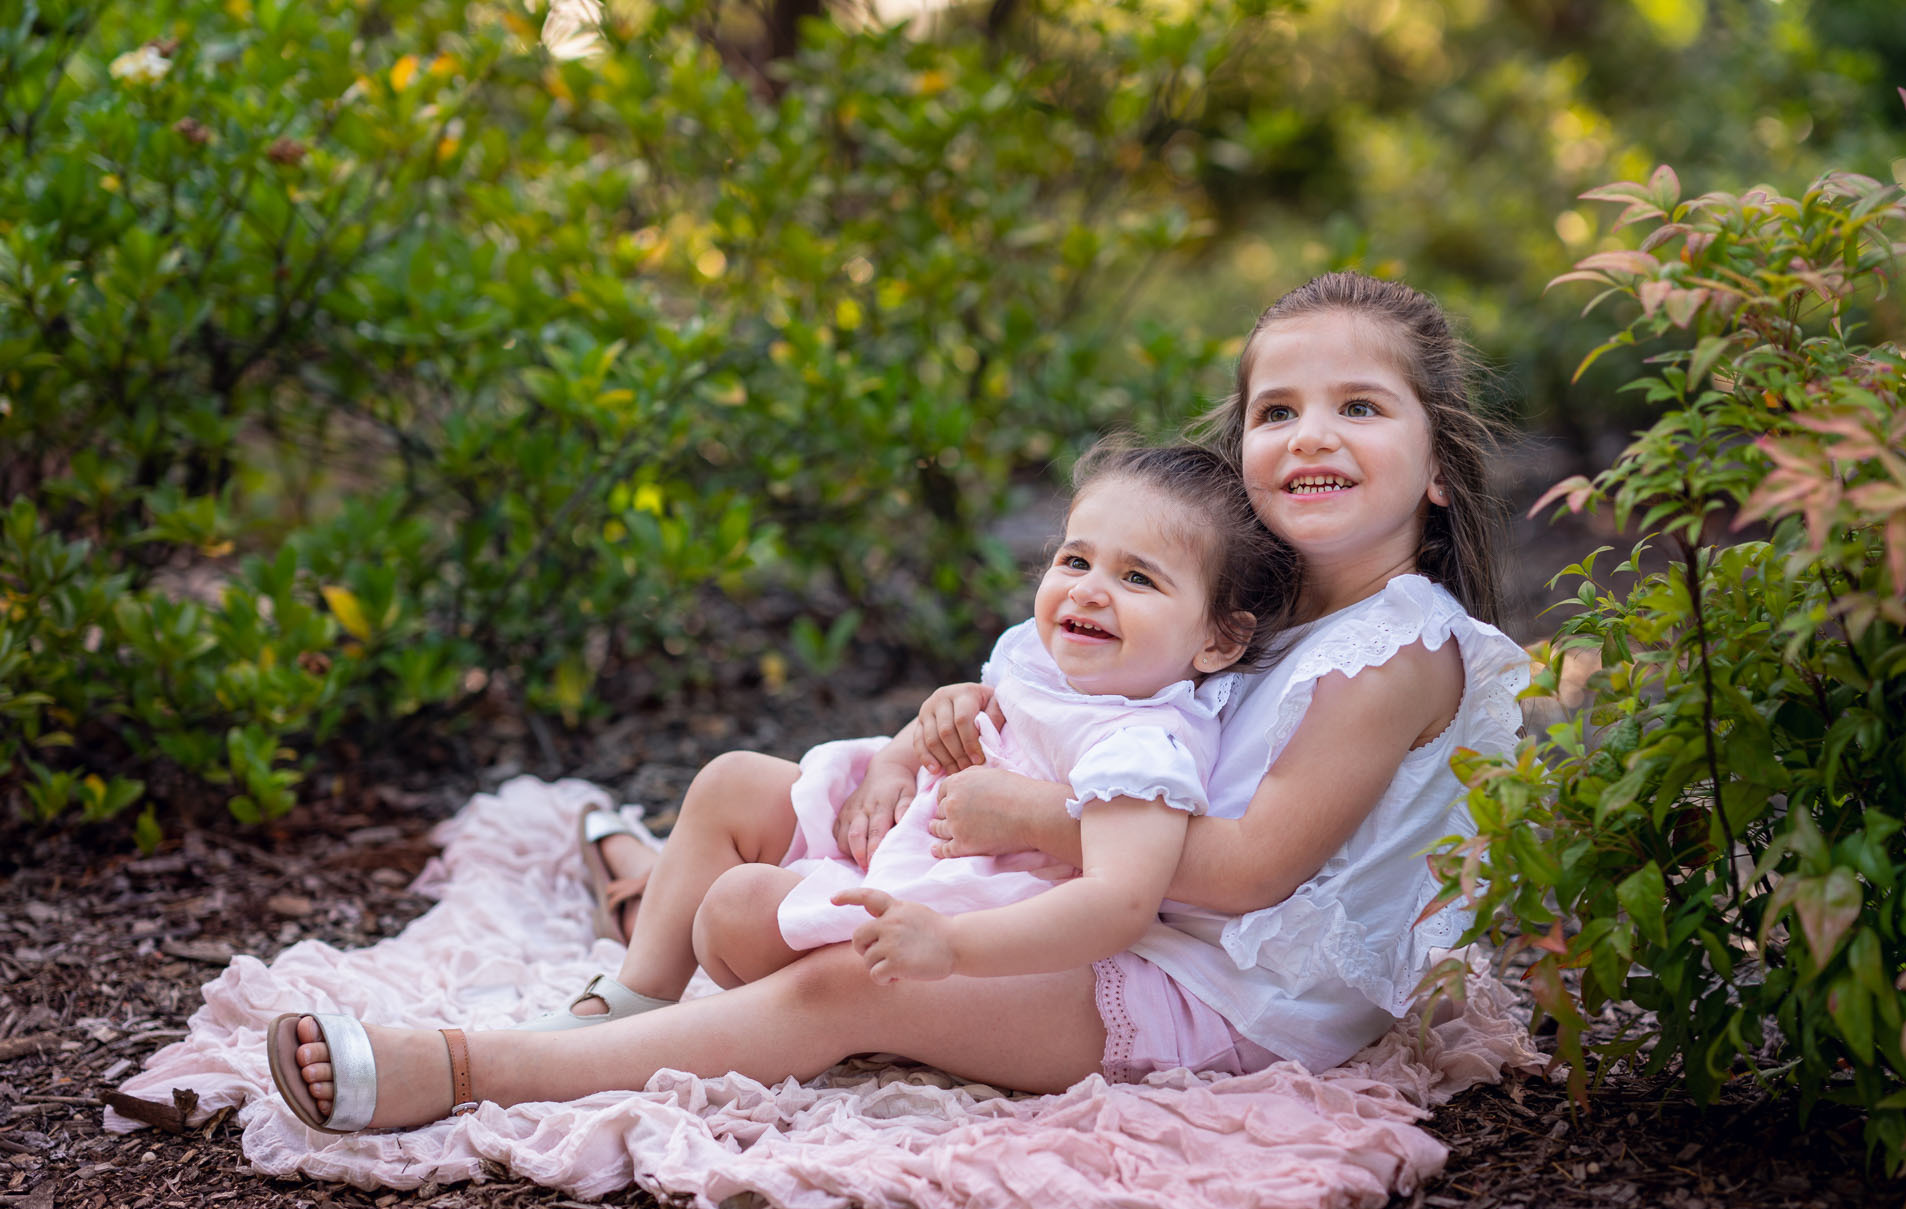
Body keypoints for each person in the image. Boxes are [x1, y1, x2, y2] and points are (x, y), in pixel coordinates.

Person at [265, 271, 1530, 1134]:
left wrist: (1030, 819)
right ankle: (653, 943)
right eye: (1277, 410)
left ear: (1434, 463)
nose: (1311, 436)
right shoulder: (1245, 602)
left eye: (1359, 407)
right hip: (1100, 908)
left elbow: (1247, 867)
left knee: (850, 981)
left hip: (1215, 989)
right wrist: (938, 728)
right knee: (756, 794)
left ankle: (471, 1069)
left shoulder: (1397, 648)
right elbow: (1083, 709)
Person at [523, 441, 1297, 1028]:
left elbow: (1120, 903)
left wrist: (953, 948)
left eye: (1139, 578)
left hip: (955, 910)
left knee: (734, 908)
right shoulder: (1039, 657)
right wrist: (899, 757)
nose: (1089, 588)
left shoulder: (1143, 746)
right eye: (1076, 558)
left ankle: (723, 955)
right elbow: (972, 723)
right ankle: (634, 994)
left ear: (1219, 641)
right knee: (730, 780)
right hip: (908, 829)